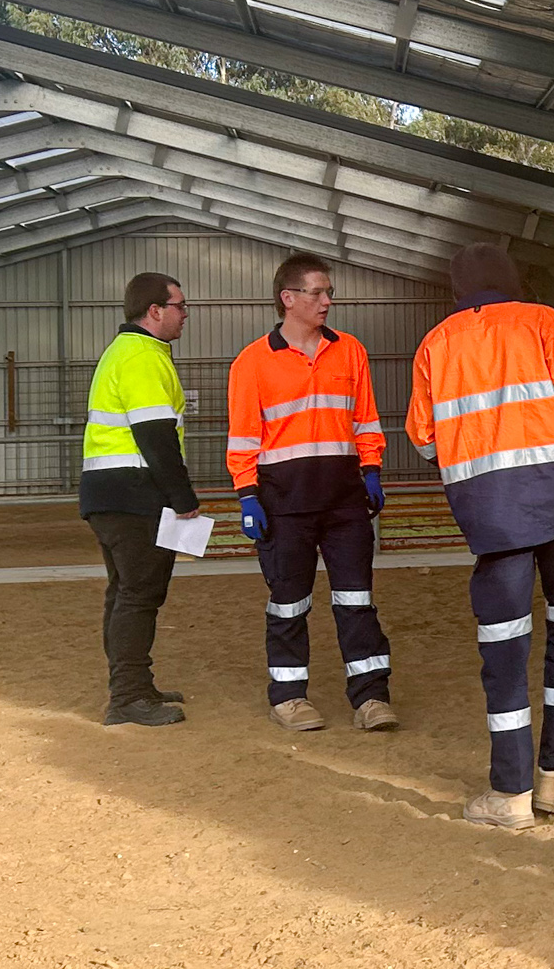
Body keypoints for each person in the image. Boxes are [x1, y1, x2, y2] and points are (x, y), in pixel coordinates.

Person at [409, 243, 554, 828]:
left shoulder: (436, 344)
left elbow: (424, 440)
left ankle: (509, 792)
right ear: (515, 282)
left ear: (458, 290)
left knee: (504, 651)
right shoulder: (542, 321)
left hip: (490, 519)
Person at [227, 253, 398, 734]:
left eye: (329, 293)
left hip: (345, 500)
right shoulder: (253, 362)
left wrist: (371, 468)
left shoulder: (350, 351)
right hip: (284, 504)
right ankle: (289, 696)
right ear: (289, 298)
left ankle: (371, 697)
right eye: (317, 293)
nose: (326, 301)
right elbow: (243, 437)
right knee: (288, 603)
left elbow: (365, 417)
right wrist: (247, 495)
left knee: (356, 600)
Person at [78, 270, 198, 727]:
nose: (184, 315)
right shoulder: (143, 357)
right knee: (139, 595)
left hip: (109, 491)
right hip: (134, 492)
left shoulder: (122, 352)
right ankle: (127, 696)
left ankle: (132, 685)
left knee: (124, 593)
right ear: (155, 311)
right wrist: (182, 496)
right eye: (179, 306)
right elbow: (155, 435)